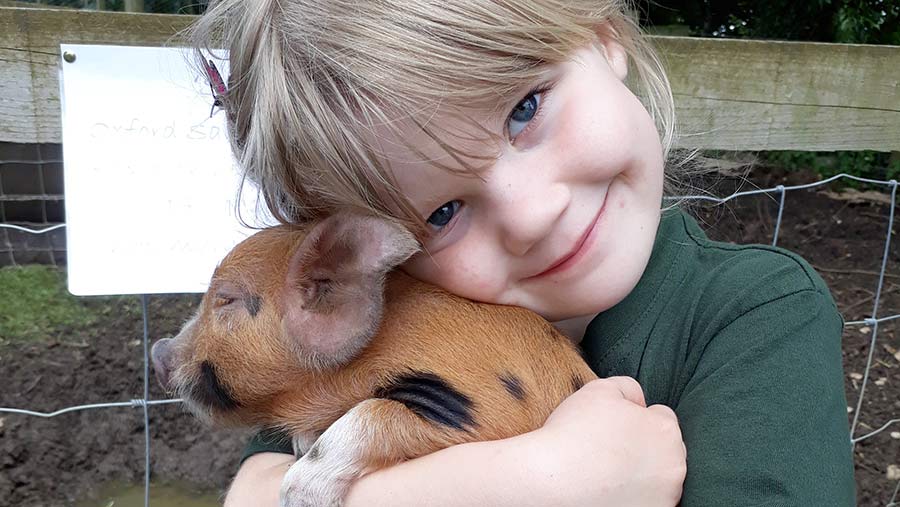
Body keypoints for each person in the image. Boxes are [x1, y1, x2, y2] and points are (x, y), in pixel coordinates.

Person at [189, 0, 856, 505]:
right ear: (358, 271)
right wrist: (554, 480)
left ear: (603, 32)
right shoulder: (360, 345)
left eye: (525, 108)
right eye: (441, 213)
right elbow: (254, 487)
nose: (533, 214)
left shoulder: (760, 316)